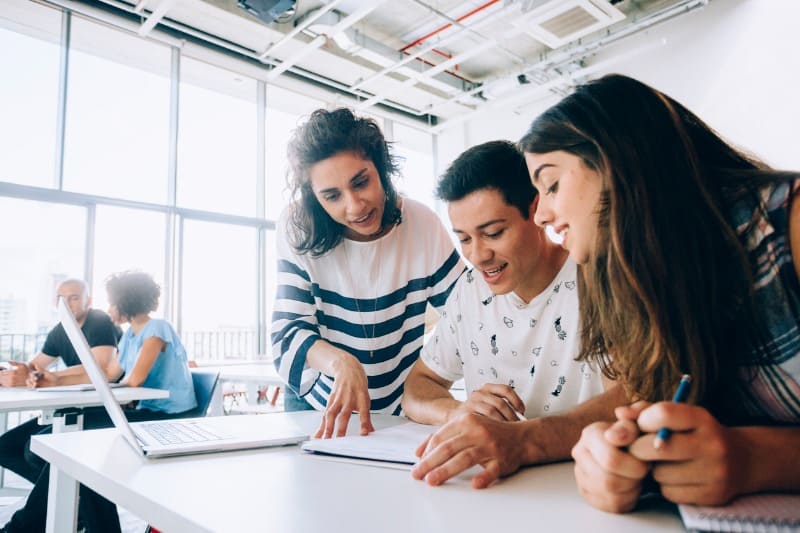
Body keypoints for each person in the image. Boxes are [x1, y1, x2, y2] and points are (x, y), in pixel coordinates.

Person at [519, 73, 800, 513]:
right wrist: (619, 453)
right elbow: (643, 396)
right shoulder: (637, 278)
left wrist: (754, 459)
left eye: (551, 184)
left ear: (617, 161)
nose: (541, 215)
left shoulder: (789, 223)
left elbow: (740, 450)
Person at [402, 140, 623, 489]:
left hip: (580, 488)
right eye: (464, 239)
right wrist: (457, 412)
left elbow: (632, 395)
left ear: (536, 209)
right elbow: (417, 388)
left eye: (493, 233)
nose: (478, 255)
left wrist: (523, 439)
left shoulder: (596, 277)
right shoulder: (468, 291)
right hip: (491, 491)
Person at [271, 108, 464, 438]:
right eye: (332, 196)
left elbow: (469, 314)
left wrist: (433, 376)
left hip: (397, 406)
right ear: (315, 199)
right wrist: (340, 363)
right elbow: (288, 332)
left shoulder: (422, 224)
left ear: (382, 170)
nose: (355, 206)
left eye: (361, 182)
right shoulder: (297, 227)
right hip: (318, 406)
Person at [2, 271, 196, 533]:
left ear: (126, 301)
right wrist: (55, 380)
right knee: (60, 446)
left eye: (112, 302)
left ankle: (23, 528)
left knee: (62, 442)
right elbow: (110, 374)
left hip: (167, 418)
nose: (109, 308)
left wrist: (75, 380)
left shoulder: (157, 329)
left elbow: (135, 379)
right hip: (143, 412)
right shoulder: (128, 337)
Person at [0, 279, 120, 485]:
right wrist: (15, 372)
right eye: (61, 299)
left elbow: (99, 367)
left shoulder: (99, 321)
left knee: (34, 450)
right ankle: (67, 501)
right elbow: (36, 366)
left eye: (74, 298)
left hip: (105, 407)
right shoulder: (60, 330)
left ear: (88, 301)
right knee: (5, 447)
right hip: (74, 407)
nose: (67, 304)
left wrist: (50, 377)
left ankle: (71, 502)